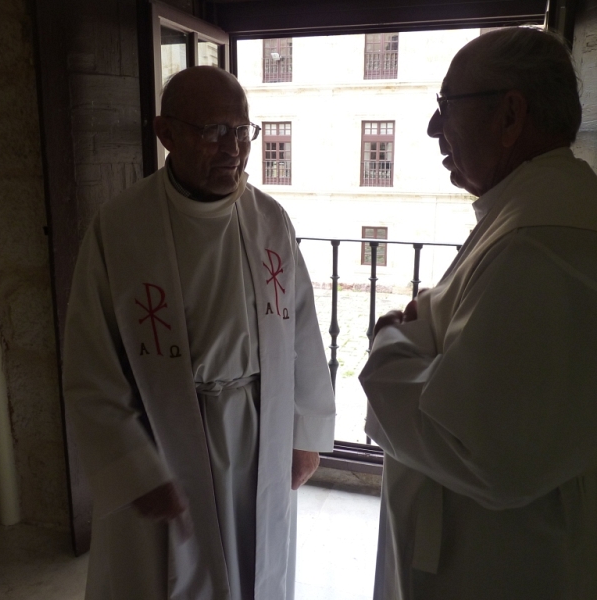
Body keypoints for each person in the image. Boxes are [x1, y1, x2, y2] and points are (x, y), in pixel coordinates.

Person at [63, 66, 335, 600]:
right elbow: (91, 362)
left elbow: (302, 328)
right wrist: (132, 465)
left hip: (259, 431)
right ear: (165, 134)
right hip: (164, 438)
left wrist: (306, 433)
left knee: (258, 565)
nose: (233, 149)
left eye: (242, 131)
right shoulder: (121, 228)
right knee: (163, 575)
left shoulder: (269, 219)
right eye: (213, 131)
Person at [360, 27, 597, 600]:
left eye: (447, 106)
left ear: (511, 115)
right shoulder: (535, 207)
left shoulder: (539, 242)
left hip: (494, 561)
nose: (434, 128)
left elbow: (485, 451)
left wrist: (392, 345)